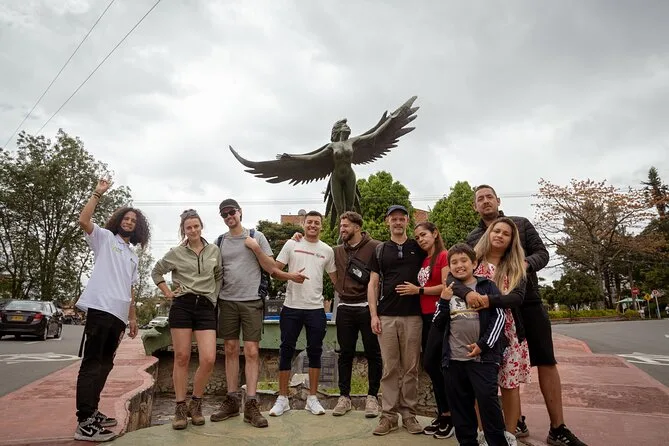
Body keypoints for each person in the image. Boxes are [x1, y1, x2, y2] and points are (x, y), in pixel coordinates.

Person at [466, 185, 587, 446]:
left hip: (527, 301)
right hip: (492, 310)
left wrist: (523, 265)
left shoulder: (520, 224)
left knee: (546, 360)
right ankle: (516, 422)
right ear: (475, 206)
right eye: (480, 199)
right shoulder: (473, 237)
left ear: (498, 200)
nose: (485, 201)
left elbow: (542, 253)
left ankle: (558, 428)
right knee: (499, 367)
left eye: (489, 197)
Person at [74, 178, 150, 442]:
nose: (129, 222)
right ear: (118, 221)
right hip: (100, 310)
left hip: (118, 316)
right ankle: (84, 422)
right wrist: (97, 193)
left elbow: (130, 289)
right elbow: (83, 220)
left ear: (138, 228)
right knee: (92, 364)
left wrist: (132, 318)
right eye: (126, 218)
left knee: (105, 365)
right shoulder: (105, 238)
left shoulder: (132, 255)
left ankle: (93, 412)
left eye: (133, 221)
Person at [437, 243, 516, 446]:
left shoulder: (487, 286)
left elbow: (499, 318)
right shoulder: (448, 291)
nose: (459, 265)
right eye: (454, 262)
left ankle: (497, 442)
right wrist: (444, 301)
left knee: (488, 404)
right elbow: (437, 322)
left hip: (483, 359)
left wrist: (483, 345)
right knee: (461, 409)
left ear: (474, 263)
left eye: (464, 260)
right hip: (454, 360)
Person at [151, 209, 222, 430]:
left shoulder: (214, 250)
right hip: (182, 305)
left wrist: (213, 298)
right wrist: (167, 292)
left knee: (208, 358)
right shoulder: (176, 253)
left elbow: (218, 276)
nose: (193, 230)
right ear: (183, 230)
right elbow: (156, 272)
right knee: (182, 357)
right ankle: (180, 407)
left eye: (196, 226)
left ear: (201, 227)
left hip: (206, 307)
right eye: (188, 227)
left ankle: (196, 403)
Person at [209, 199, 274, 428]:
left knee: (252, 351)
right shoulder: (219, 242)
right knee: (229, 349)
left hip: (252, 300)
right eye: (224, 214)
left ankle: (252, 404)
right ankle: (232, 400)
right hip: (227, 300)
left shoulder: (257, 236)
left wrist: (255, 248)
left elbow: (271, 267)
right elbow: (210, 270)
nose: (229, 217)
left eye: (231, 212)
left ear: (240, 212)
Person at [269, 211, 338, 417]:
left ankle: (312, 399)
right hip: (291, 307)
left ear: (321, 226)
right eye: (309, 222)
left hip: (316, 309)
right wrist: (291, 276)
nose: (313, 225)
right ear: (303, 223)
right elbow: (274, 270)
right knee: (286, 350)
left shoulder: (327, 250)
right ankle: (282, 399)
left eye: (317, 223)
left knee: (315, 351)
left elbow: (336, 280)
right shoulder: (292, 244)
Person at [368, 205, 426, 436]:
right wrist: (374, 315)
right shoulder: (380, 250)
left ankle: (409, 415)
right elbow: (373, 284)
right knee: (390, 368)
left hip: (414, 316)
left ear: (407, 221)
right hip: (387, 316)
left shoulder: (417, 247)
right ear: (388, 222)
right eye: (394, 219)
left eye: (402, 218)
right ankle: (388, 416)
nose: (398, 222)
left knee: (411, 368)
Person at [470, 217, 530, 440]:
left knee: (509, 385)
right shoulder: (473, 261)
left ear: (512, 240)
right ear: (489, 233)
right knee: (482, 385)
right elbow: (456, 283)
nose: (500, 236)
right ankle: (483, 434)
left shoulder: (516, 266)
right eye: (497, 231)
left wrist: (489, 300)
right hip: (479, 329)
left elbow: (517, 298)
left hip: (509, 332)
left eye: (506, 233)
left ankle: (509, 435)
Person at [396, 222, 453, 439]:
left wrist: (418, 290)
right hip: (425, 317)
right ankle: (443, 413)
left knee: (435, 364)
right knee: (432, 365)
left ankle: (450, 415)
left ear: (435, 233)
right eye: (417, 237)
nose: (420, 239)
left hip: (440, 316)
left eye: (424, 235)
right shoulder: (424, 259)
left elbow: (447, 286)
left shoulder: (444, 256)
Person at [330, 211, 383, 418]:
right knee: (345, 354)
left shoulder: (376, 247)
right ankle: (344, 397)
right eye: (341, 226)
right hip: (344, 307)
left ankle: (372, 397)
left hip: (368, 307)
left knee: (373, 353)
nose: (342, 229)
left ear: (357, 227)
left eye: (346, 226)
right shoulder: (336, 250)